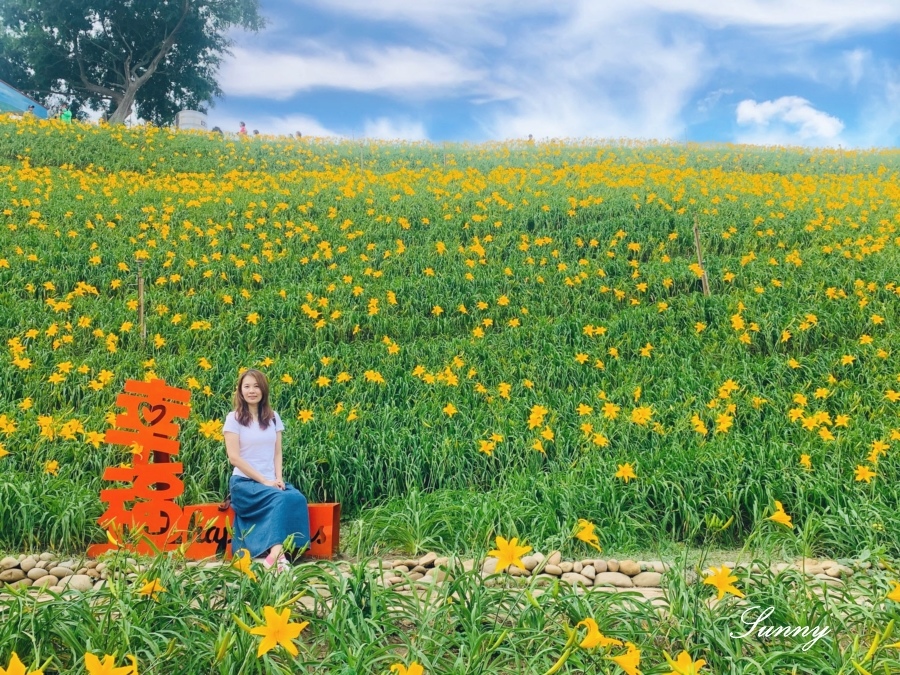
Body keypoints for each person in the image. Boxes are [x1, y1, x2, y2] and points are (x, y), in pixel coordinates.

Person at [223, 369, 310, 572]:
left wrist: (278, 479)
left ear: (263, 390)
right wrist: (264, 480)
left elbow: (277, 452)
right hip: (244, 484)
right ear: (240, 391)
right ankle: (277, 556)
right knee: (278, 499)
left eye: (256, 386)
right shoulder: (233, 418)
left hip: (269, 482)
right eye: (247, 386)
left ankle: (292, 551)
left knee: (296, 498)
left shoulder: (273, 418)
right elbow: (234, 457)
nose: (252, 391)